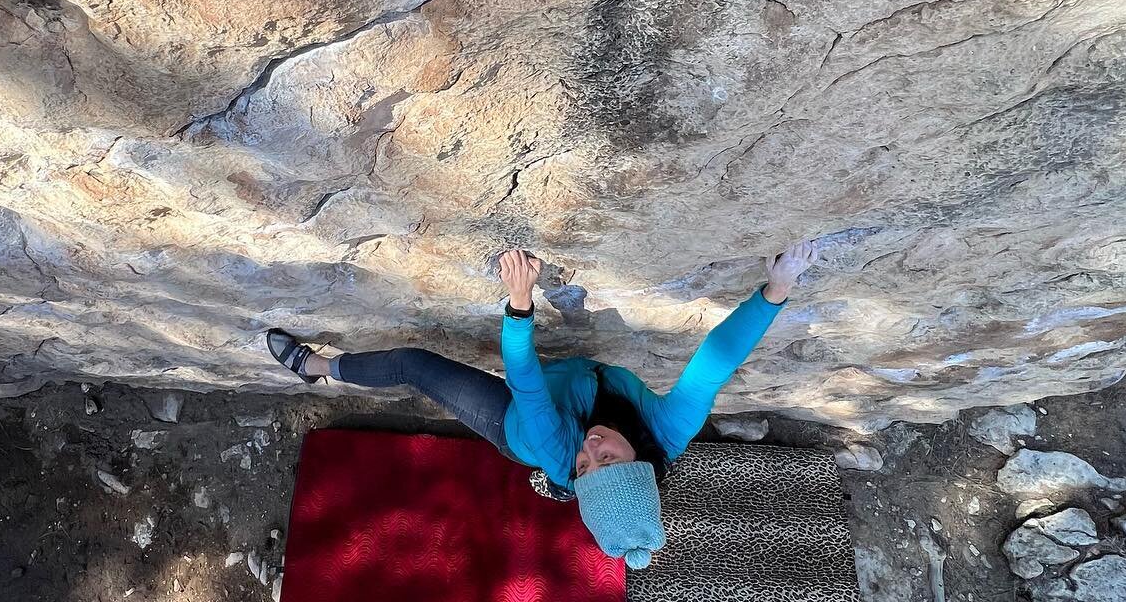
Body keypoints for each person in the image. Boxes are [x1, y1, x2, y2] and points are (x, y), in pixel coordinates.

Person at [267, 239, 818, 570]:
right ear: (644, 463)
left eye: (586, 466)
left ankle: (317, 368)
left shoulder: (561, 446)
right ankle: (560, 491)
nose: (593, 446)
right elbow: (714, 363)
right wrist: (776, 289)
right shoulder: (668, 431)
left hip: (516, 424)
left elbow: (524, 379)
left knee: (414, 365)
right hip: (571, 389)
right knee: (562, 467)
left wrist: (520, 302)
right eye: (606, 460)